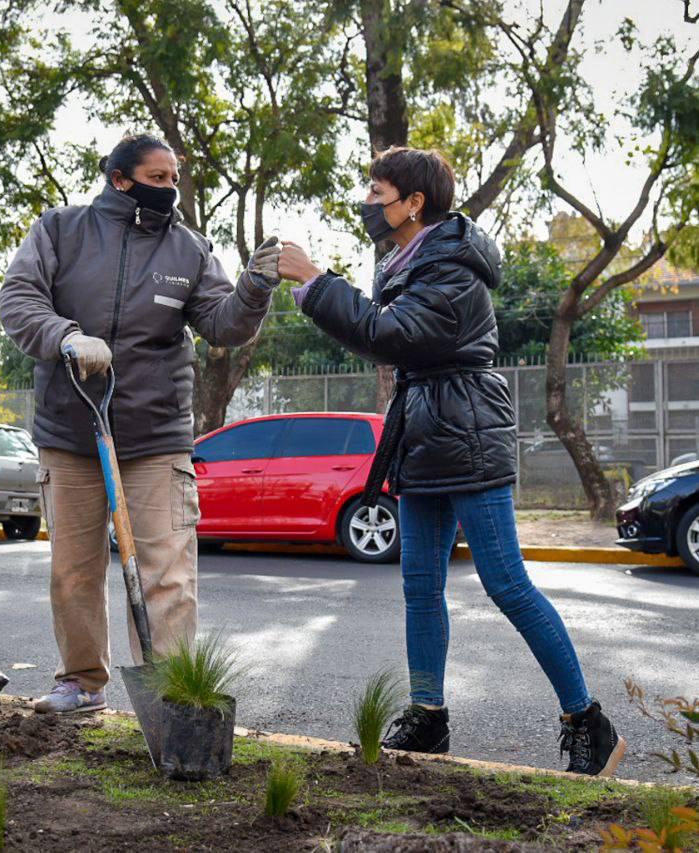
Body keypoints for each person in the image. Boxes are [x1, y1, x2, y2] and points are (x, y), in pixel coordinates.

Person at [277, 147, 624, 777]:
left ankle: (588, 723)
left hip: (467, 429)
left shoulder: (451, 268)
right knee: (418, 585)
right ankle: (428, 715)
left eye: (377, 194)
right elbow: (386, 332)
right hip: (424, 431)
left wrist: (315, 281)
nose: (368, 206)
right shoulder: (408, 262)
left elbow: (393, 335)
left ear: (414, 204)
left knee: (506, 583)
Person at [0, 133, 282, 714]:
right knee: (75, 573)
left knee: (168, 576)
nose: (170, 189)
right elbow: (19, 300)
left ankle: (171, 698)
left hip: (156, 436)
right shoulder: (60, 230)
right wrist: (67, 337)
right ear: (119, 178)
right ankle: (80, 683)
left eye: (174, 179)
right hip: (71, 432)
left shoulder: (189, 250)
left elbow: (224, 324)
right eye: (157, 179)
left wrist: (254, 288)